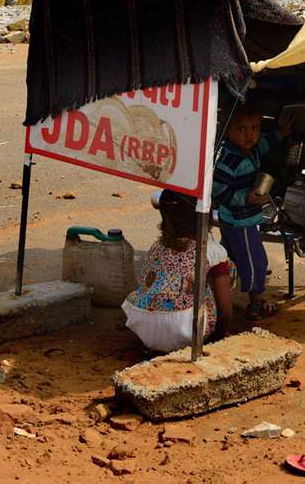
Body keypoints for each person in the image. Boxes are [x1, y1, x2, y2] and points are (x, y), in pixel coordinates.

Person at [121, 190, 234, 352]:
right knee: (225, 270)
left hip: (144, 331)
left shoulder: (157, 247)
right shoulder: (212, 250)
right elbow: (226, 312)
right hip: (186, 333)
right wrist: (219, 337)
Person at [212, 108, 290, 320]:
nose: (250, 135)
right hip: (240, 221)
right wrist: (245, 198)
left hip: (236, 221)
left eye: (255, 128)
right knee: (256, 261)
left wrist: (279, 134)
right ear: (228, 131)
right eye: (242, 129)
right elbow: (219, 190)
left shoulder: (249, 150)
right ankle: (256, 303)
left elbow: (262, 145)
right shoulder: (229, 160)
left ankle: (217, 297)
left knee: (229, 258)